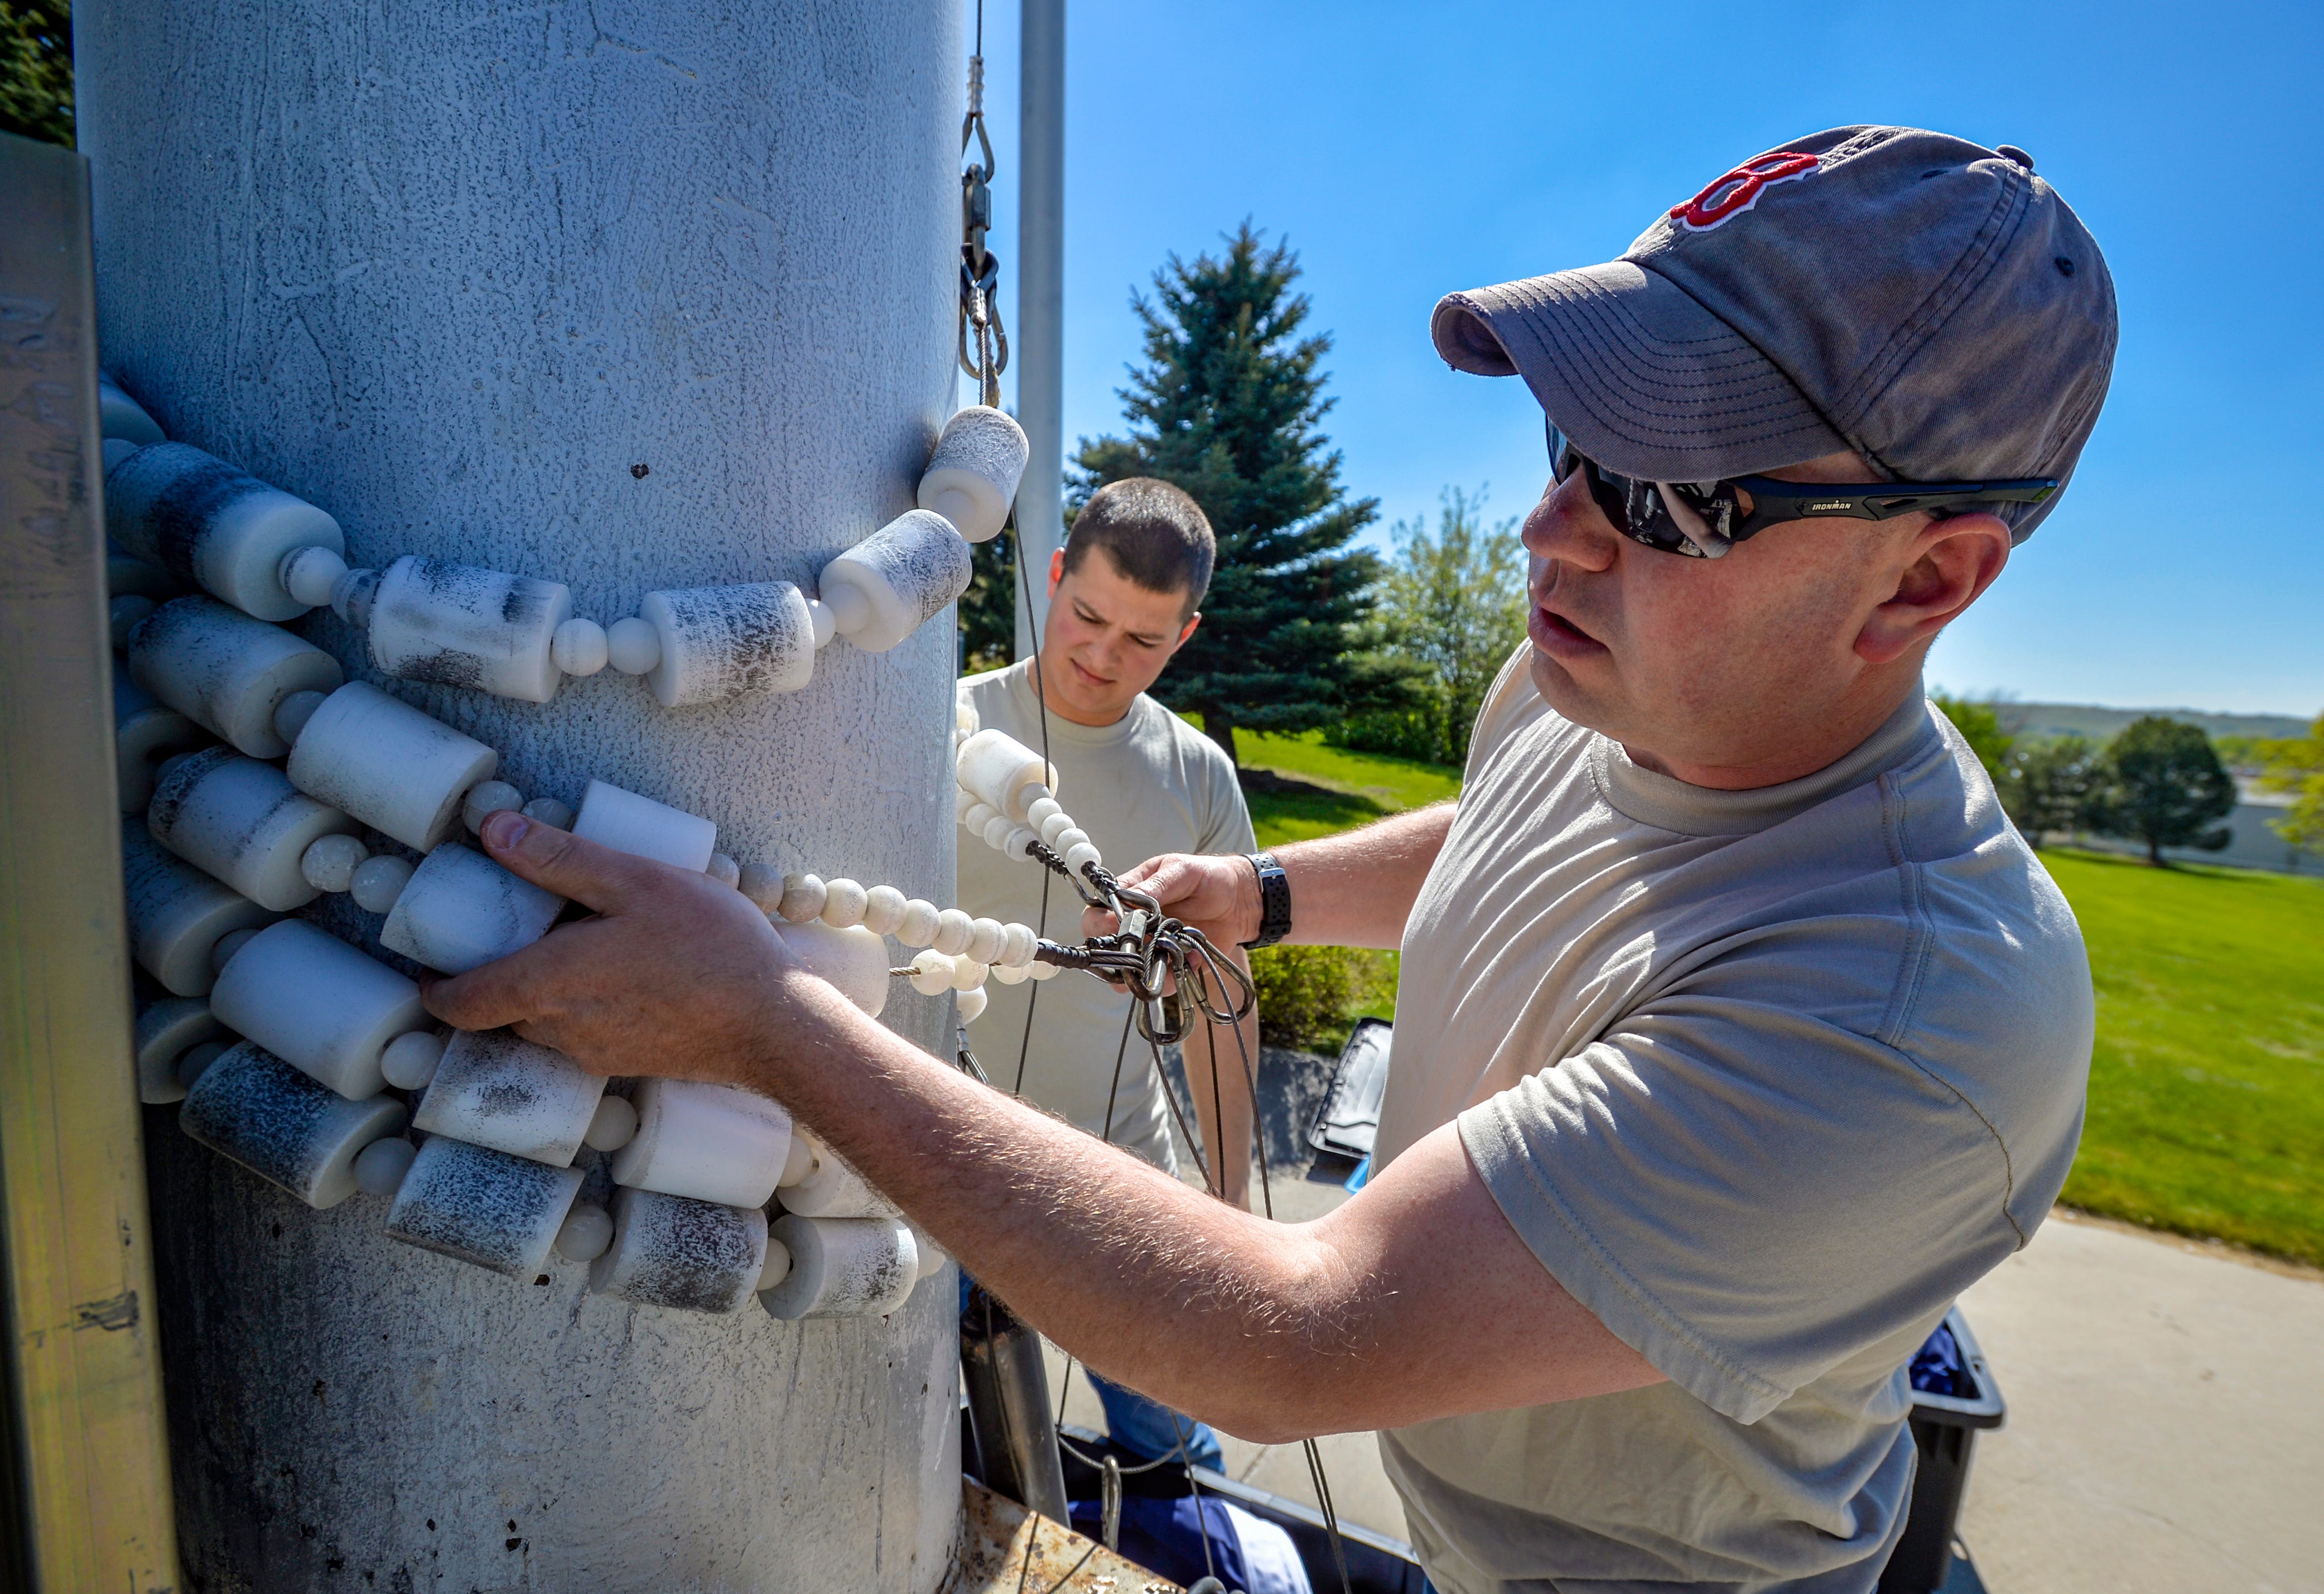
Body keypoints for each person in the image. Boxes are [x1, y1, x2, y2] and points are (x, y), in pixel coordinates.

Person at [425, 126, 2115, 1592]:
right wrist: (1276, 893)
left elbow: (1291, 1342)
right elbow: (1522, 822)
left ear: (1923, 583)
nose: (1553, 531)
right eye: (1573, 444)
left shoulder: (1911, 1015)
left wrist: (761, 1023)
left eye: (1675, 494)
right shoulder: (1601, 676)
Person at [957, 476, 1260, 1471]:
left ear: (1188, 634)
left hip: (1120, 1184)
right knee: (928, 1460)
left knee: (1180, 1459)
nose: (1100, 655)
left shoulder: (1200, 776)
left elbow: (1224, 1006)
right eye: (1086, 615)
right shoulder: (941, 727)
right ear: (1053, 577)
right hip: (934, 1165)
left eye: (1143, 640)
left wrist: (1228, 1208)